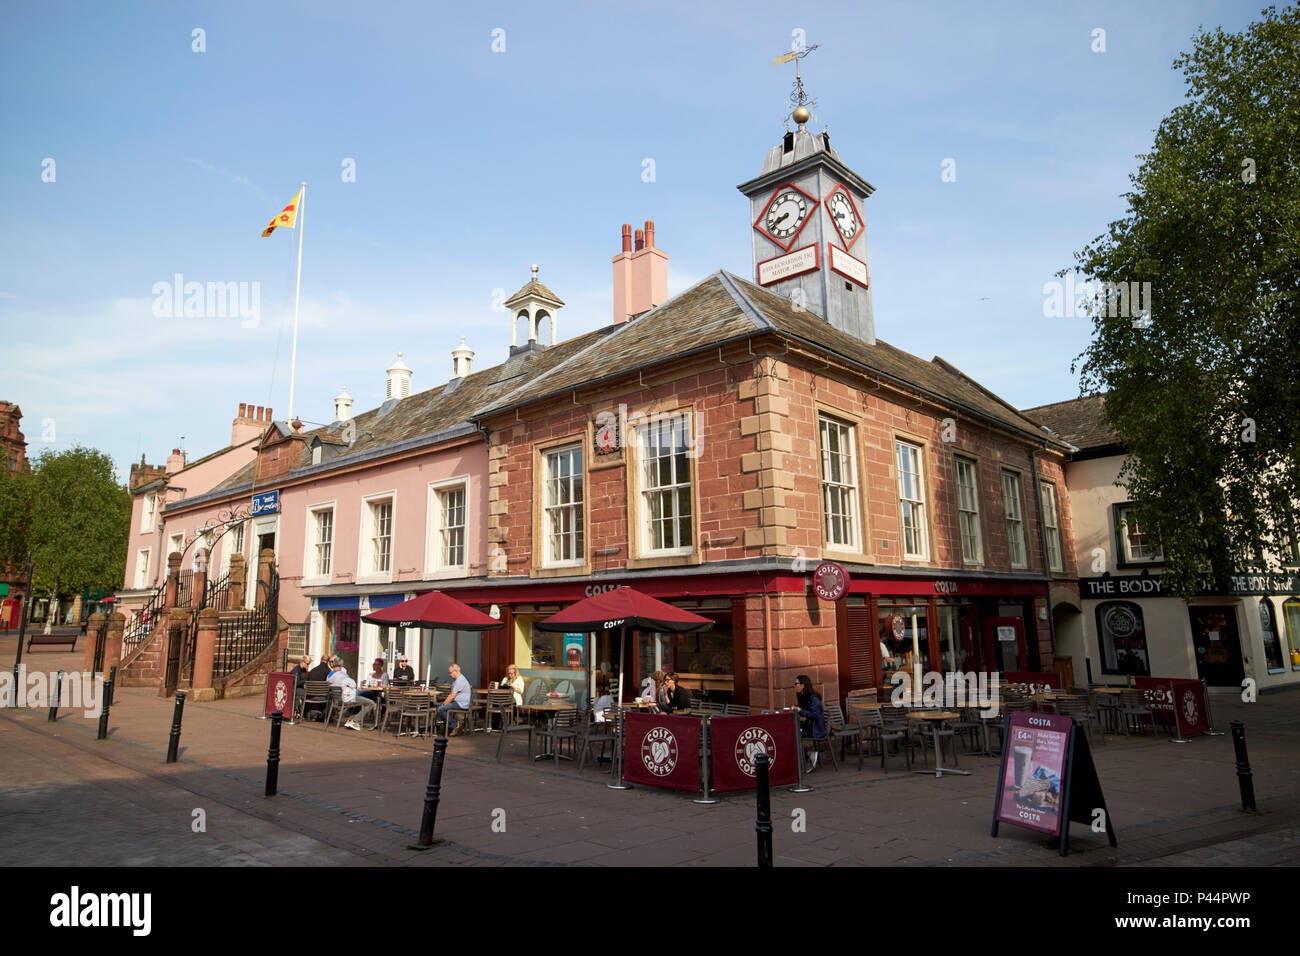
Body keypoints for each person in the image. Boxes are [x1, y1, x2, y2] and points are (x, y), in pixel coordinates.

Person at [327, 657, 375, 731]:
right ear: (341, 665)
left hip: (336, 700)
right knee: (370, 703)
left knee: (359, 700)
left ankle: (351, 720)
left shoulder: (329, 675)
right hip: (346, 699)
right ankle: (355, 721)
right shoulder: (342, 675)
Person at [794, 674, 827, 770]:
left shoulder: (814, 698)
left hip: (816, 729)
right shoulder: (802, 696)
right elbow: (807, 714)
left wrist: (800, 710)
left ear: (803, 685)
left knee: (795, 735)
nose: (795, 686)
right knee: (791, 733)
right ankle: (807, 756)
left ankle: (808, 756)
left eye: (796, 684)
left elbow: (815, 716)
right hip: (808, 725)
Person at [437, 663, 472, 735]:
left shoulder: (459, 680)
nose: (449, 674)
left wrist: (444, 704)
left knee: (440, 709)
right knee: (441, 707)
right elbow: (451, 695)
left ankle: (454, 726)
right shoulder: (459, 679)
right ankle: (452, 727)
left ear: (456, 671)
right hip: (459, 702)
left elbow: (452, 696)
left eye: (450, 672)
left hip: (461, 704)